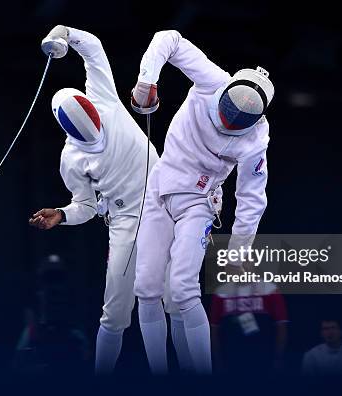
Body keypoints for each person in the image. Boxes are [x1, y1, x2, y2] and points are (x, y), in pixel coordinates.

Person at [130, 30, 275, 374]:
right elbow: (170, 39)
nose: (231, 120)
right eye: (230, 110)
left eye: (242, 119)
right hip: (159, 188)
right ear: (224, 93)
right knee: (146, 288)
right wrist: (146, 79)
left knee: (182, 289)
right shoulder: (212, 79)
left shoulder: (256, 139)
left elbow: (252, 198)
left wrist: (240, 252)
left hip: (199, 202)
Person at [29, 25, 159, 374]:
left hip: (168, 200)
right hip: (125, 223)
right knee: (115, 313)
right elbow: (86, 206)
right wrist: (61, 213)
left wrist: (62, 34)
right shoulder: (71, 159)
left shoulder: (103, 95)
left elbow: (94, 46)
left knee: (178, 297)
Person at [210, 282, 288, 374]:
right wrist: (218, 363)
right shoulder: (220, 293)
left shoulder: (270, 289)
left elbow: (281, 326)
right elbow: (213, 330)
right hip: (232, 362)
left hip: (264, 361)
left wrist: (278, 359)